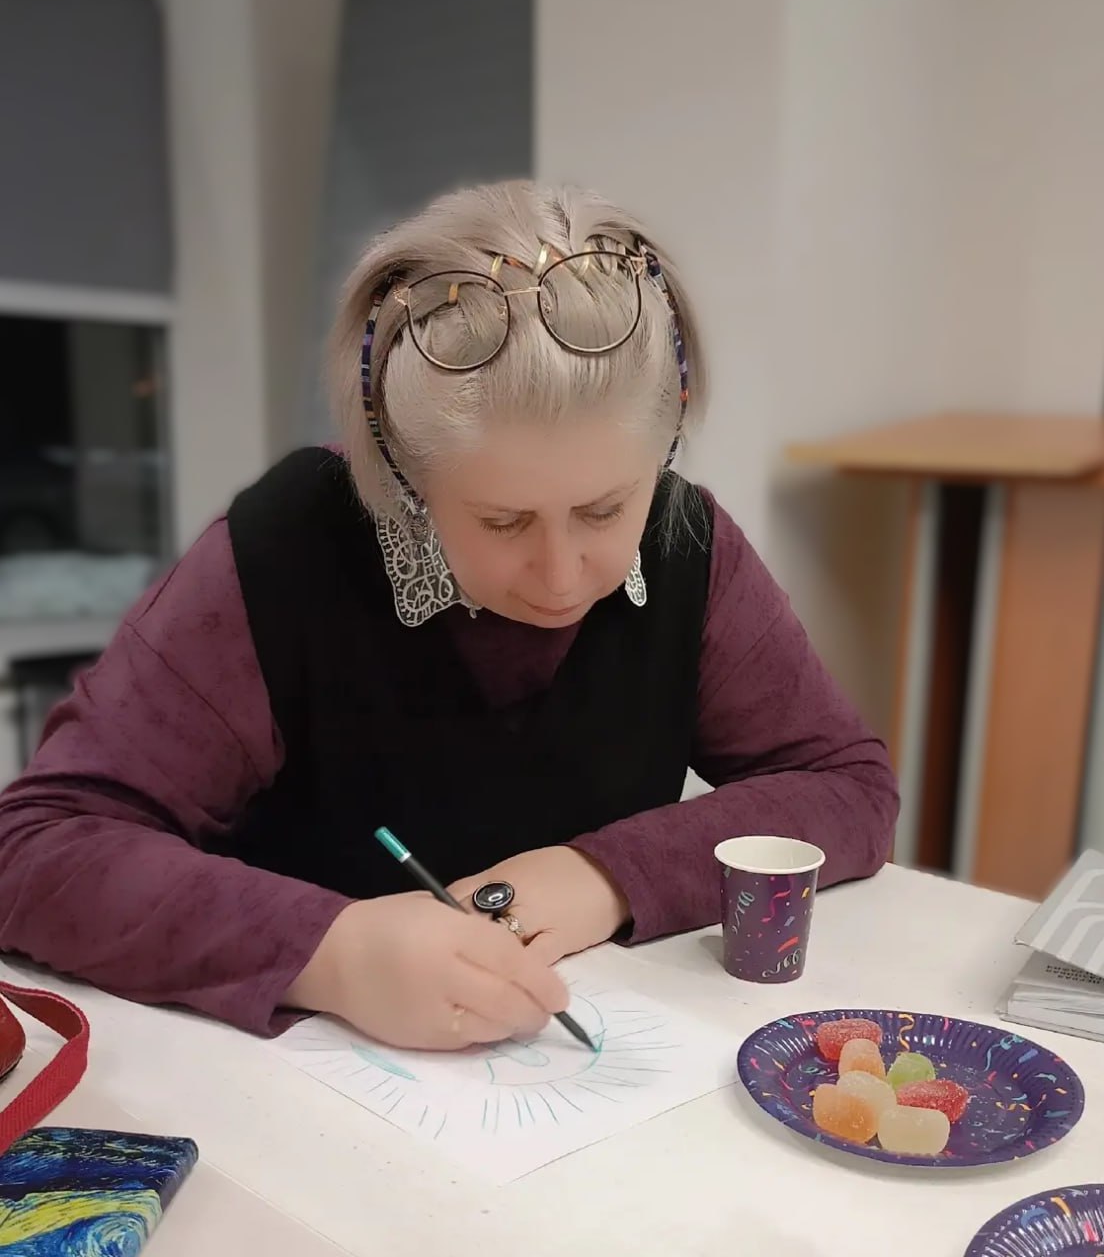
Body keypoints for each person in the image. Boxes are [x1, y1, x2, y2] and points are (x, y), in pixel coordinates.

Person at [0, 181, 898, 1051]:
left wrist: (600, 876)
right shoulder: (285, 550)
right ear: (404, 472)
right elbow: (36, 848)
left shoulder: (688, 543)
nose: (560, 577)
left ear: (665, 446)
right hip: (298, 1090)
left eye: (604, 510)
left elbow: (846, 786)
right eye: (503, 522)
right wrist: (331, 953)